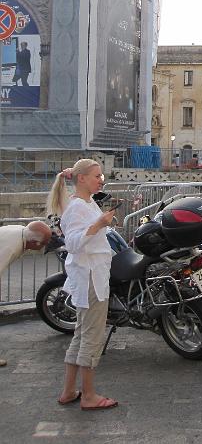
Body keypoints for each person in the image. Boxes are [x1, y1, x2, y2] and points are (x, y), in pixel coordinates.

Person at [46, 159, 119, 410]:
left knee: (81, 334)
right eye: (97, 175)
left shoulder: (87, 203)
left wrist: (103, 222)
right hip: (91, 279)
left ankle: (68, 391)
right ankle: (88, 395)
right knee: (92, 336)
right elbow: (74, 243)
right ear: (82, 179)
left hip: (92, 276)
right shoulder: (77, 207)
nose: (101, 179)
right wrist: (99, 224)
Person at [0, 220, 51, 367]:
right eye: (43, 243)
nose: (43, 247)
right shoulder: (12, 246)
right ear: (35, 242)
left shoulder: (22, 231)